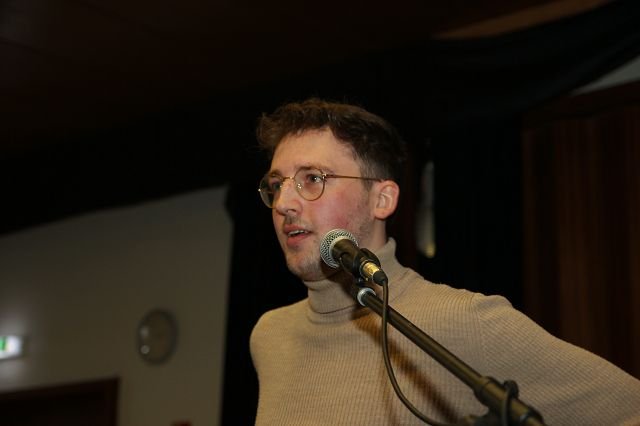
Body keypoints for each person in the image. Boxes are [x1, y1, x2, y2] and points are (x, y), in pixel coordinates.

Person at [249, 98, 640, 425]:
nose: (284, 204)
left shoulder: (463, 320)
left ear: (382, 199)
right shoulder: (270, 336)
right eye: (277, 185)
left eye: (312, 179)